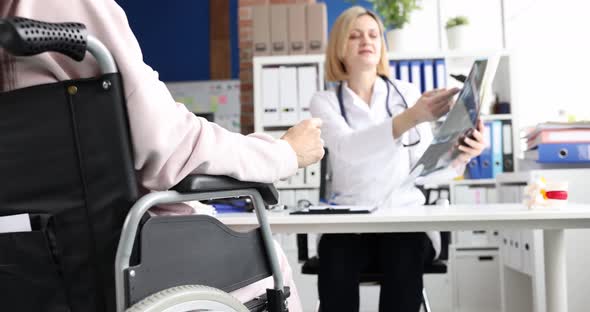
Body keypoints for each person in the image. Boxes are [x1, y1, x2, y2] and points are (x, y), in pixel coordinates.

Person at [0, 1, 323, 311]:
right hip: (114, 261)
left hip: (24, 263)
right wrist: (284, 154)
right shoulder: (65, 7)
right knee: (271, 261)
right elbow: (170, 147)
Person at [309, 6, 485, 312]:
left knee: (404, 250)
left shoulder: (405, 93)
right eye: (355, 35)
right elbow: (349, 147)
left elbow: (427, 172)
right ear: (339, 46)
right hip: (349, 224)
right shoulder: (324, 102)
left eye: (374, 34)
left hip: (403, 220)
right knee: (337, 258)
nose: (367, 40)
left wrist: (460, 155)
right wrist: (412, 117)